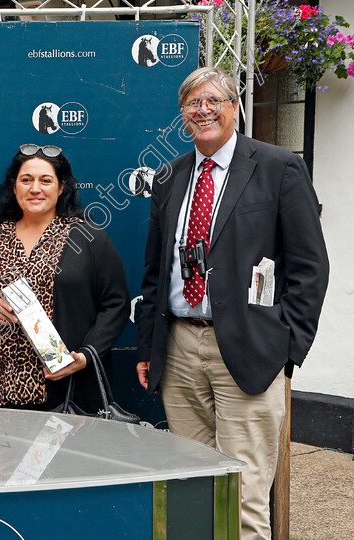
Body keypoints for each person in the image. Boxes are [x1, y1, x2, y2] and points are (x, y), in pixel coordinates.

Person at [136, 67, 330, 540]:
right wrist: (148, 347)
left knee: (242, 497)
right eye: (192, 104)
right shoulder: (170, 177)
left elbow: (310, 267)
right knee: (189, 490)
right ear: (182, 113)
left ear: (235, 105)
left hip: (249, 350)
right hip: (180, 350)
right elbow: (155, 271)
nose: (203, 111)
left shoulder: (278, 166)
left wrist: (286, 348)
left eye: (214, 101)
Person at [0, 144, 130, 410]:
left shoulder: (88, 238)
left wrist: (87, 355)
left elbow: (116, 304)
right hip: (4, 394)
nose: (35, 189)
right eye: (26, 180)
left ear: (61, 188)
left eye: (46, 180)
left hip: (70, 391)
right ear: (14, 187)